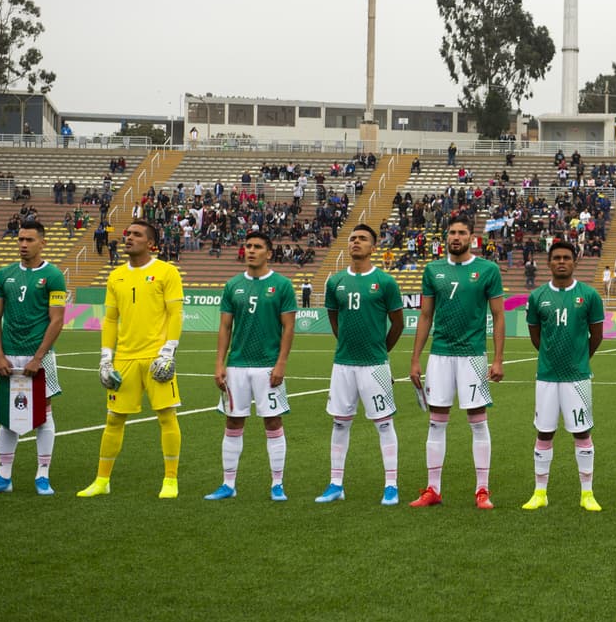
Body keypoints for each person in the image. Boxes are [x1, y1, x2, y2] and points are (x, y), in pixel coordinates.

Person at [77, 219, 185, 499]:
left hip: (155, 357)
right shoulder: (115, 276)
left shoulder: (166, 272)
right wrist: (105, 358)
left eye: (136, 235)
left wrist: (169, 351)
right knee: (113, 419)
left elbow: (175, 314)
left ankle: (170, 480)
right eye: (127, 234)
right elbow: (111, 319)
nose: (128, 238)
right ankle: (102, 481)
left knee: (166, 416)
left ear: (151, 243)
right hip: (124, 358)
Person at [409, 214, 506, 509]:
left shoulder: (487, 270)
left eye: (462, 233)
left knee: (477, 422)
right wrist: (415, 359)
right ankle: (433, 489)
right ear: (445, 238)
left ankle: (482, 490)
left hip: (473, 356)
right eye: (452, 232)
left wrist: (499, 359)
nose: (456, 237)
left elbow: (499, 315)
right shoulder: (433, 270)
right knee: (436, 422)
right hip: (440, 355)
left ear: (472, 238)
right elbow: (425, 316)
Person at [316, 224, 407, 505]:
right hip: (343, 364)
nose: (356, 242)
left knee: (383, 424)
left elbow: (398, 323)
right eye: (353, 238)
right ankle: (335, 484)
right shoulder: (335, 282)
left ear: (373, 247)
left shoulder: (386, 282)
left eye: (362, 239)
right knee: (340, 424)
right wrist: (346, 343)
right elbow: (334, 318)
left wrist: (381, 350)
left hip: (375, 364)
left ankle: (391, 485)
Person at [205, 231, 297, 501]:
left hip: (268, 366)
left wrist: (281, 363)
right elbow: (225, 327)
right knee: (233, 421)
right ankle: (228, 484)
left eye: (257, 246)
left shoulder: (281, 285)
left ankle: (277, 484)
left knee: (273, 420)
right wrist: (219, 363)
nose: (251, 250)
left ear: (269, 252)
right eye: (248, 246)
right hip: (237, 365)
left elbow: (289, 327)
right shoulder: (233, 285)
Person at [0, 222, 67, 496]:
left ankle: (43, 475)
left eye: (29, 239)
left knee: (42, 413)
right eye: (20, 239)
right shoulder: (4, 274)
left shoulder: (53, 275)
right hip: (8, 355)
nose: (23, 244)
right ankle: (4, 477)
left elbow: (57, 320)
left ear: (43, 242)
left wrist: (38, 358)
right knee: (7, 415)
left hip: (39, 357)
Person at [522, 241, 606, 512]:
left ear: (574, 262)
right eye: (556, 257)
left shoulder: (589, 295)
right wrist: (550, 356)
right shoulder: (537, 297)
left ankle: (587, 493)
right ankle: (540, 492)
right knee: (544, 433)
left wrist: (580, 358)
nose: (561, 261)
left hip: (577, 377)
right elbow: (536, 337)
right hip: (546, 376)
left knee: (582, 432)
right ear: (549, 262)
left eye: (566, 258)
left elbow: (597, 336)